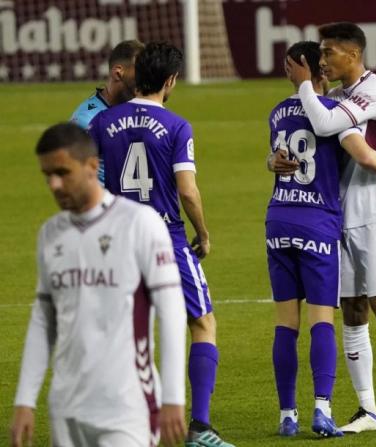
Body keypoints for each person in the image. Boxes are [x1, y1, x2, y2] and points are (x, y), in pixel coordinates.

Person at [88, 42, 233, 447]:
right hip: (165, 238)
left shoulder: (103, 123)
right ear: (170, 81)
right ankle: (200, 428)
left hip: (118, 240)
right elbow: (187, 190)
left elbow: (83, 181)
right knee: (202, 323)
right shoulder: (176, 126)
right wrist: (202, 233)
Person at [10, 123, 187, 447]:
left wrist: (174, 397)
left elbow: (173, 312)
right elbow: (42, 319)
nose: (54, 184)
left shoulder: (139, 223)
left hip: (126, 406)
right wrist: (25, 399)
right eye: (47, 175)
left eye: (62, 172)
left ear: (92, 166)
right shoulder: (50, 234)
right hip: (65, 407)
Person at [287, 22, 376, 435]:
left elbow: (326, 127)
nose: (322, 60)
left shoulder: (375, 90)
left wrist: (305, 85)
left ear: (353, 54)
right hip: (339, 216)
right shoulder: (339, 96)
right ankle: (367, 409)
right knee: (353, 310)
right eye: (320, 54)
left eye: (328, 52)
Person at [71, 39, 144, 183]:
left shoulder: (142, 108)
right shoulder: (86, 120)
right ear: (118, 73)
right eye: (140, 72)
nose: (147, 80)